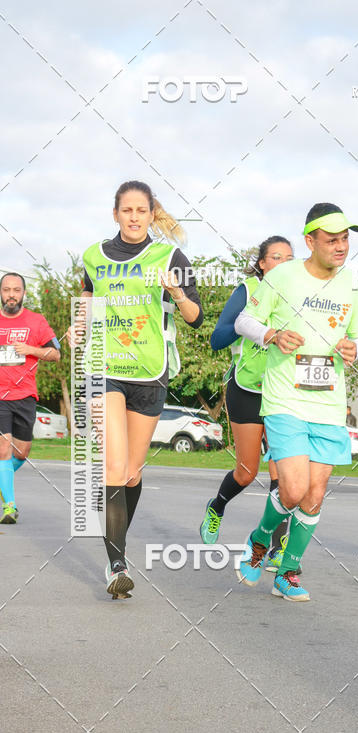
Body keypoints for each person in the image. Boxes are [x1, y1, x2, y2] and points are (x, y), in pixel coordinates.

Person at [69, 180, 203, 599]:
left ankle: (114, 534)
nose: (133, 217)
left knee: (131, 473)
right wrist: (77, 326)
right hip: (106, 367)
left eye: (141, 211)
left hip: (150, 370)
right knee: (113, 466)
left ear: (150, 214)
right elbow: (87, 300)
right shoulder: (94, 256)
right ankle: (117, 565)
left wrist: (176, 293)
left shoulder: (169, 256)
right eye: (126, 210)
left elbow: (196, 316)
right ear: (116, 214)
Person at [233, 202, 358, 601]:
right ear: (310, 240)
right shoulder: (281, 277)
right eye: (332, 240)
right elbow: (244, 321)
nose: (341, 247)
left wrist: (354, 349)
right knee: (292, 491)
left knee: (315, 494)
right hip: (284, 399)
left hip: (328, 403)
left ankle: (288, 570)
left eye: (346, 238)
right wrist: (272, 334)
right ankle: (261, 541)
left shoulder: (354, 286)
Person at [200, 236, 294, 571]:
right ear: (263, 263)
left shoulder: (300, 296)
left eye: (290, 258)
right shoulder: (248, 289)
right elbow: (217, 339)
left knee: (285, 473)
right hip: (247, 387)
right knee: (246, 471)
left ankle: (277, 548)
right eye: (276, 257)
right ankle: (217, 507)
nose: (284, 263)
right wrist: (255, 326)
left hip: (284, 391)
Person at [0, 272, 60, 523]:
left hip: (25, 395)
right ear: (1, 293)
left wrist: (31, 350)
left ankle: (4, 484)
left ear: (24, 293)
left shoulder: (36, 321)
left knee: (22, 452)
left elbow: (56, 353)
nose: (11, 295)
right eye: (6, 290)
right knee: (4, 448)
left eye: (16, 290)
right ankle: (10, 507)